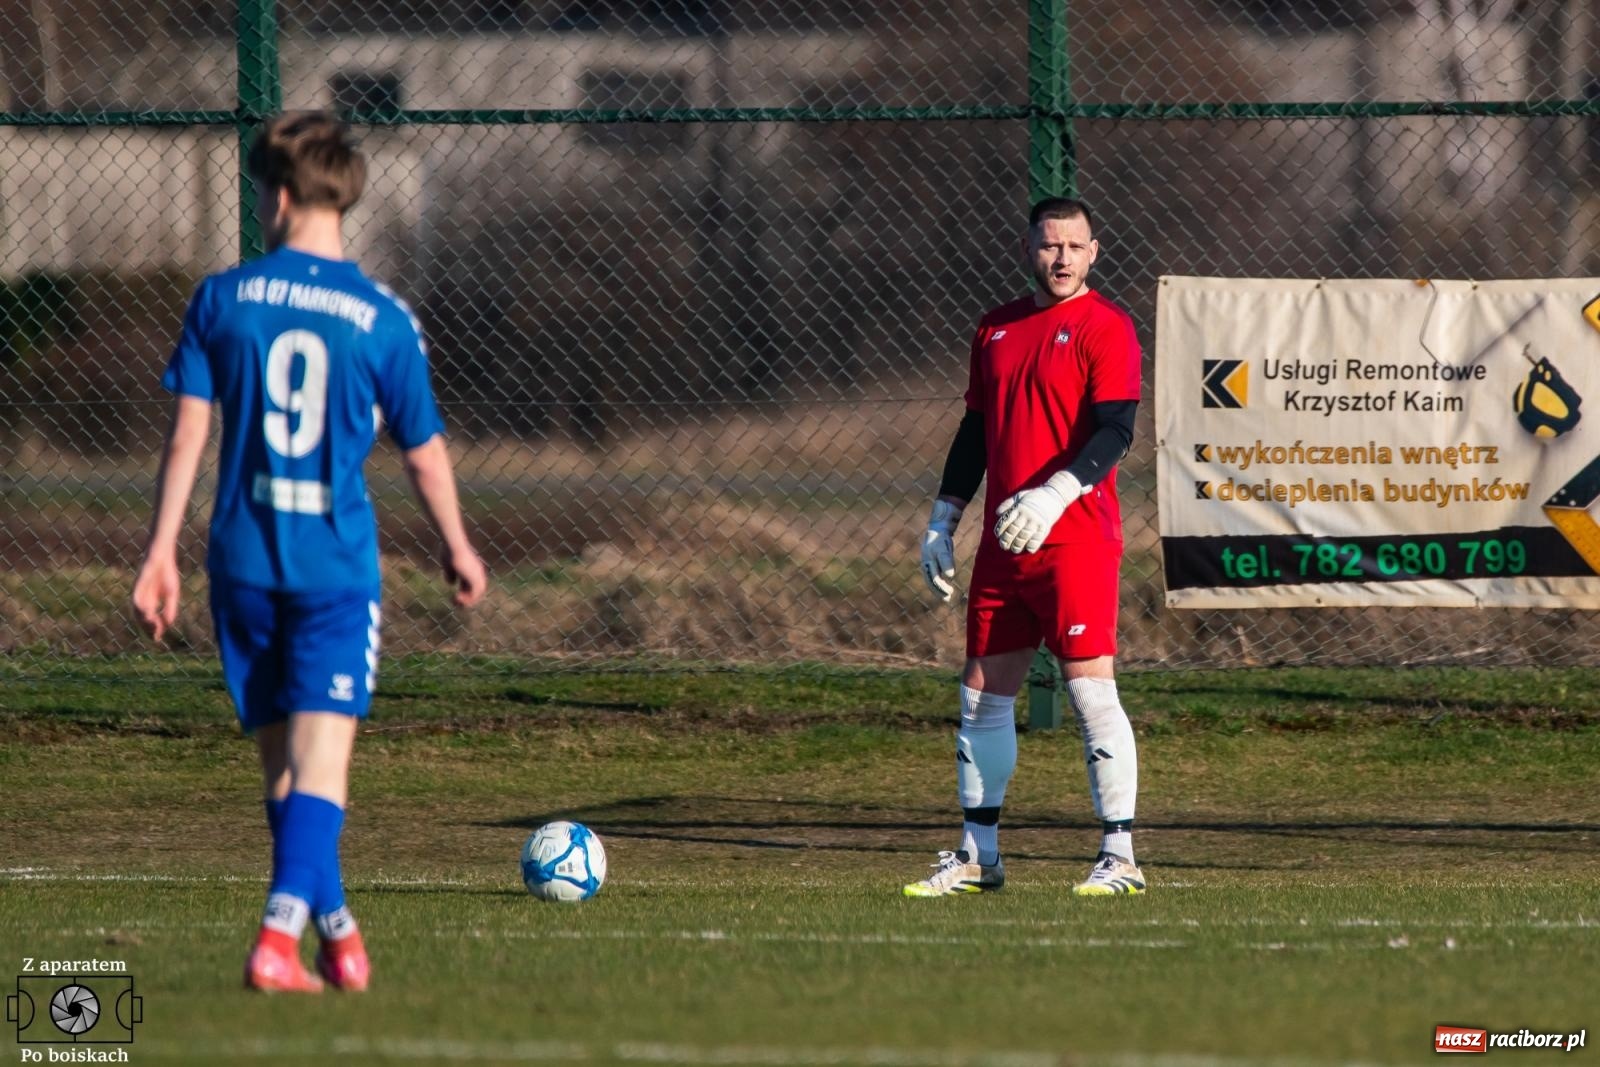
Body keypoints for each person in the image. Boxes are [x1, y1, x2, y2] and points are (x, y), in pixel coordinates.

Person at [131, 111, 488, 991]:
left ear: (280, 197)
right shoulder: (383, 320)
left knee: (285, 775)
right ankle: (274, 942)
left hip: (240, 564)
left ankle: (337, 933)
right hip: (333, 572)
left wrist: (159, 553)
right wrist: (458, 545)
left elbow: (187, 440)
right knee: (322, 767)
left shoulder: (223, 298)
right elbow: (422, 452)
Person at [905, 196, 1144, 898]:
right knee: (981, 693)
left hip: (1076, 537)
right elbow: (976, 431)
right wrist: (943, 518)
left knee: (1089, 690)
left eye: (1075, 245)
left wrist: (1055, 493)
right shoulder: (995, 328)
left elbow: (1115, 431)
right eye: (1050, 246)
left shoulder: (1108, 327)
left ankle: (1121, 855)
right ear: (1028, 250)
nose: (1062, 257)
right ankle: (980, 854)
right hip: (1005, 545)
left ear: (1094, 251)